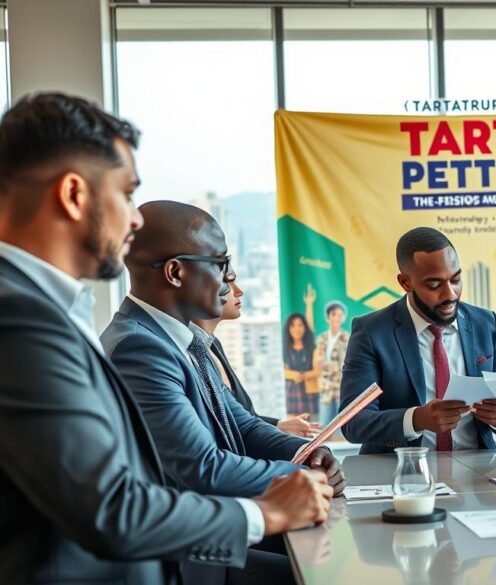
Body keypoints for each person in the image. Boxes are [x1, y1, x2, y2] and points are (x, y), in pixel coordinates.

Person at [0, 92, 330, 584]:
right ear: (72, 194)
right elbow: (112, 506)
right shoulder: (19, 318)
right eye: (126, 193)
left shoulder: (48, 308)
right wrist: (267, 513)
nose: (134, 220)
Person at [101, 201, 344, 499]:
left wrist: (309, 454)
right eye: (220, 263)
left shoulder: (184, 339)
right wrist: (304, 476)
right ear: (175, 272)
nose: (229, 278)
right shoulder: (140, 349)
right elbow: (204, 468)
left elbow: (242, 426)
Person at [340, 227, 496, 454]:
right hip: (401, 470)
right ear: (405, 283)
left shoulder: (486, 323)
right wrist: (416, 419)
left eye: (456, 279)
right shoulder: (372, 332)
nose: (450, 294)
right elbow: (353, 421)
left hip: (480, 469)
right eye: (435, 285)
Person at [194, 279, 321, 438]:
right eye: (228, 283)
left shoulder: (213, 344)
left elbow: (241, 418)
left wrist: (280, 424)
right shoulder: (194, 352)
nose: (239, 291)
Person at [314, 300, 350, 426]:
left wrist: (329, 365)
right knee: (325, 424)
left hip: (341, 386)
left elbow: (345, 363)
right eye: (334, 314)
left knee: (342, 424)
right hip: (326, 386)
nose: (337, 318)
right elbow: (318, 362)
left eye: (340, 315)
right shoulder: (322, 338)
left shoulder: (347, 337)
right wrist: (330, 365)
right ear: (328, 317)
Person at [283, 312, 319, 417]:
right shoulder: (284, 349)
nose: (297, 329)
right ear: (288, 329)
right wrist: (295, 375)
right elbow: (282, 371)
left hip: (310, 395)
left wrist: (307, 375)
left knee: (314, 426)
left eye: (300, 325)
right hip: (291, 395)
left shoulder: (313, 348)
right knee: (292, 426)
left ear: (305, 327)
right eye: (293, 326)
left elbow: (319, 370)